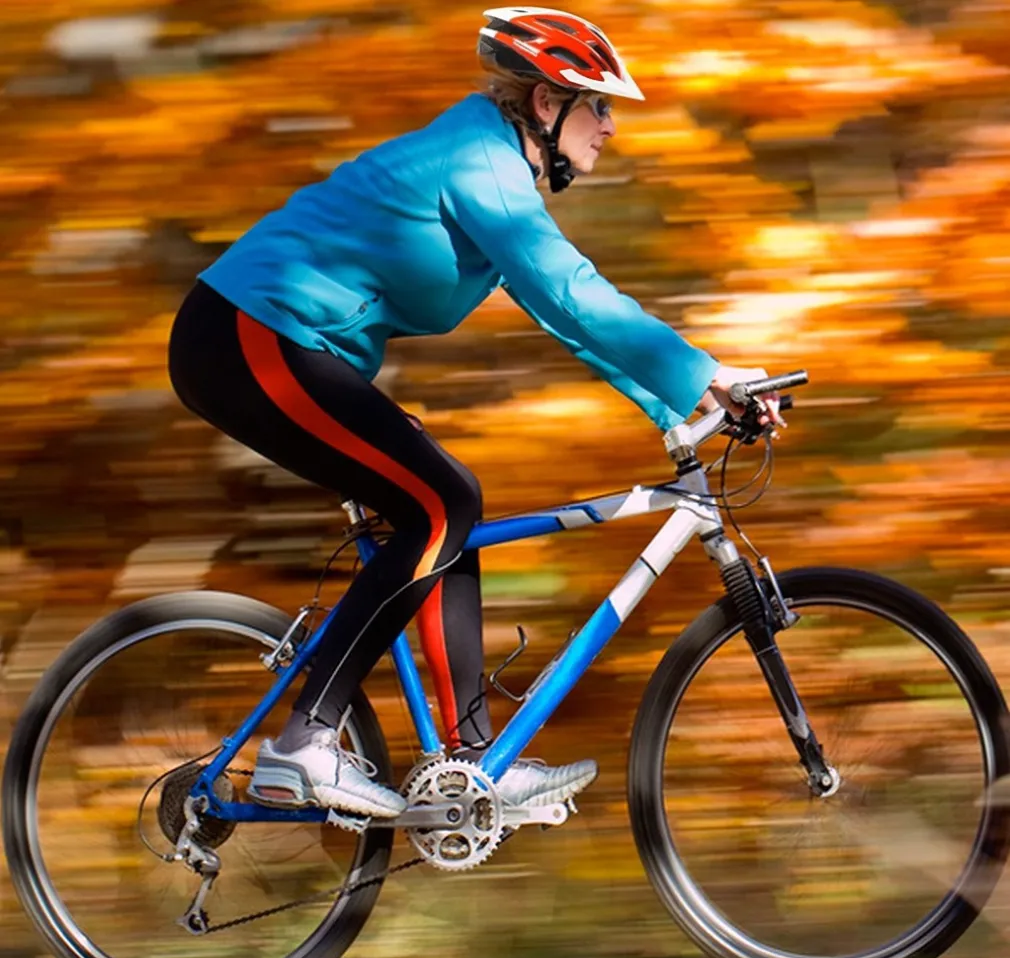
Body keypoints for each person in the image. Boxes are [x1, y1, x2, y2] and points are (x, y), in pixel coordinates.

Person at [167, 6, 779, 819]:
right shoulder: (478, 159)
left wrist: (676, 407)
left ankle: (470, 762)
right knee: (438, 500)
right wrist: (707, 373)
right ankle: (302, 747)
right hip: (246, 334)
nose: (609, 128)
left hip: (286, 347)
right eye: (598, 106)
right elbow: (571, 288)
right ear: (544, 104)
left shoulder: (492, 175)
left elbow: (564, 318)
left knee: (449, 502)